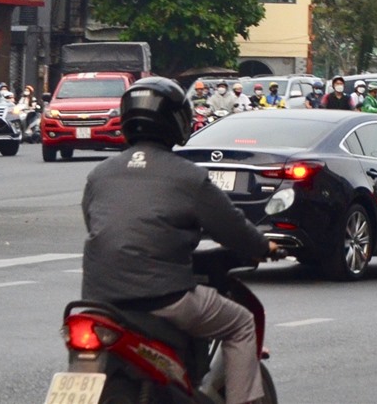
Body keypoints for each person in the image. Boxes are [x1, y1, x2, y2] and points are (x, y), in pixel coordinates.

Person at [81, 79, 274, 404]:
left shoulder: (100, 174)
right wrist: (264, 246)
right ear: (177, 123)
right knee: (241, 323)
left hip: (99, 302)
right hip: (163, 298)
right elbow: (234, 230)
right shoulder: (189, 176)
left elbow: (96, 223)